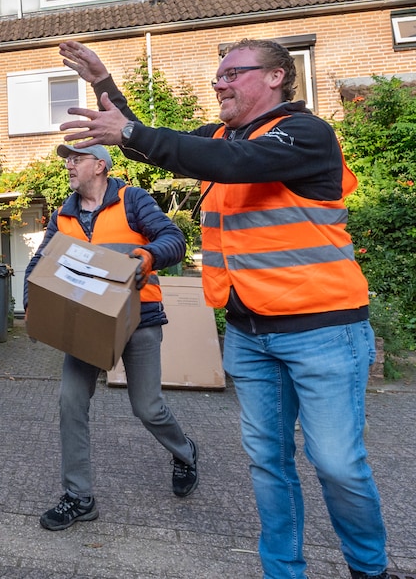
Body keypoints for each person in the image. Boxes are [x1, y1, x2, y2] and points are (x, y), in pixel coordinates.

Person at [57, 38, 392, 579]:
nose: (220, 84)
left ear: (279, 76)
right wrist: (103, 83)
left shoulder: (305, 134)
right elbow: (151, 145)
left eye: (233, 73)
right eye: (218, 76)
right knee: (269, 464)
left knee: (337, 464)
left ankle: (369, 569)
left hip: (322, 331)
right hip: (248, 333)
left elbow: (233, 162)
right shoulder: (218, 139)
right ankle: (284, 571)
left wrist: (133, 132)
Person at [24, 142, 196, 532]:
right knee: (70, 400)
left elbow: (173, 238)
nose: (68, 165)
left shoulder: (132, 199)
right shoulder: (63, 216)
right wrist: (31, 299)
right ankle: (79, 497)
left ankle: (184, 453)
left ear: (99, 165)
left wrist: (150, 255)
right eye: (66, 159)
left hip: (140, 318)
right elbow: (41, 261)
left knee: (147, 408)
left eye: (76, 158)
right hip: (86, 323)